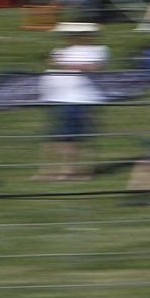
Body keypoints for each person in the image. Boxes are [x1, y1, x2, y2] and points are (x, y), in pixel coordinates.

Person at [36, 22, 107, 180]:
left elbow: (94, 66)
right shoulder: (60, 51)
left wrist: (65, 64)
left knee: (75, 138)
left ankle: (74, 172)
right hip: (57, 98)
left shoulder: (96, 50)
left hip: (80, 99)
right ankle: (45, 171)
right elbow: (52, 63)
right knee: (53, 137)